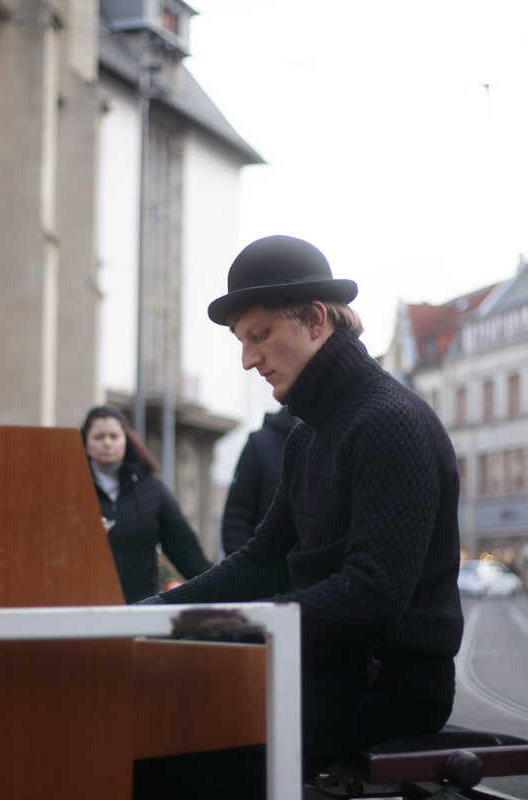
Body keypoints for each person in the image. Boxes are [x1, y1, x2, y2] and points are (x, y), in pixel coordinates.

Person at [134, 235, 464, 799]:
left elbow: (372, 594)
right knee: (137, 718)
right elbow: (261, 561)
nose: (248, 359)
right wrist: (149, 613)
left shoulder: (389, 420)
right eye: (242, 341)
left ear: (315, 319)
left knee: (169, 753)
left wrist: (231, 624)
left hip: (386, 685)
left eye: (259, 335)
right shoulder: (307, 436)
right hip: (323, 665)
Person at [81, 404, 212, 603]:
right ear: (85, 442)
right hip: (83, 606)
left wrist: (220, 590)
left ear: (126, 440)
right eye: (99, 437)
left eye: (114, 436)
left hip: (141, 606)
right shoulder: (71, 487)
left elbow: (186, 551)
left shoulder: (152, 489)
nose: (107, 443)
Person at [221, 406, 295, 556]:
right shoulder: (261, 443)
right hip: (269, 563)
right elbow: (237, 516)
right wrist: (245, 564)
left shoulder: (336, 435)